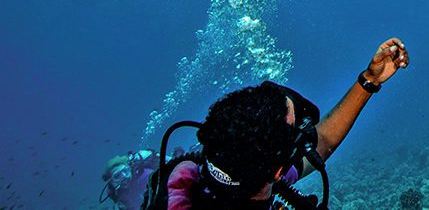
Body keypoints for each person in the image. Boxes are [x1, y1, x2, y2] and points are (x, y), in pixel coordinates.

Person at [144, 37, 409, 209]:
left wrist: (369, 80)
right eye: (297, 133)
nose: (307, 138)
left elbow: (324, 140)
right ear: (278, 171)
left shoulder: (238, 173)